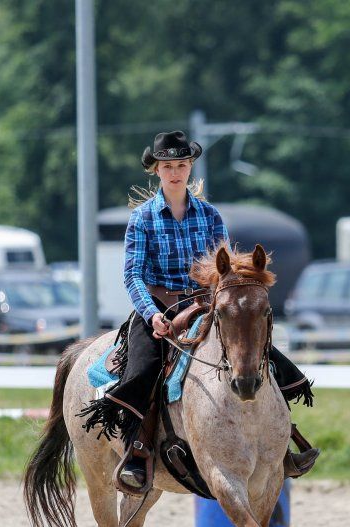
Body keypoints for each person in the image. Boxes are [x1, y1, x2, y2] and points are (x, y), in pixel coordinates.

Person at [79, 131, 319, 491]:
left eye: (181, 165)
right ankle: (137, 452)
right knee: (142, 369)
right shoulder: (143, 218)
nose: (175, 172)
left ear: (190, 167)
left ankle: (279, 443)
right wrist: (152, 314)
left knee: (262, 356)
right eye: (168, 166)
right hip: (158, 306)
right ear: (156, 171)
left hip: (204, 304)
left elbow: (224, 268)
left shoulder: (209, 215)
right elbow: (132, 274)